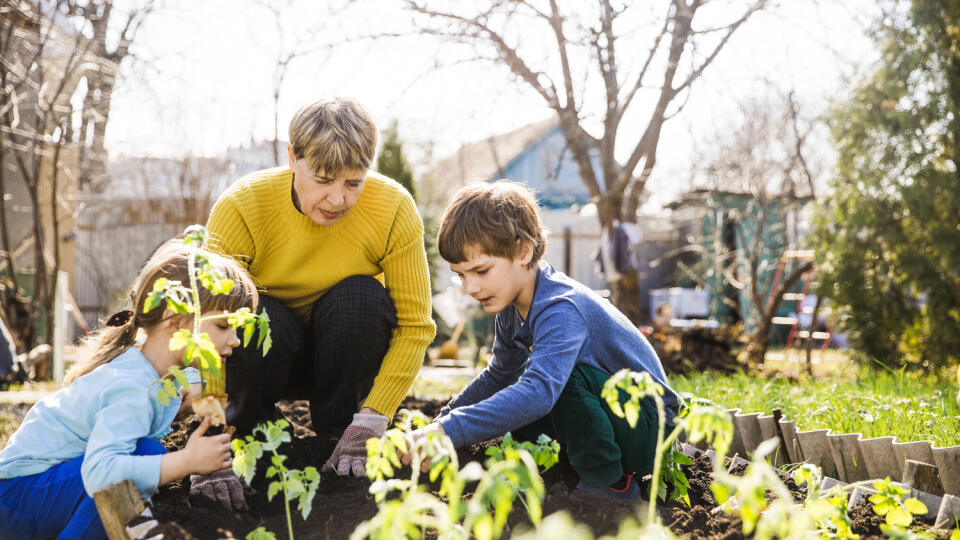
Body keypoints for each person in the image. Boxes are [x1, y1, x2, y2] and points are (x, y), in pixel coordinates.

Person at [403, 180, 679, 500]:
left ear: (523, 251)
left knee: (548, 385)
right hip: (616, 416)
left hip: (652, 428)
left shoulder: (560, 308)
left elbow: (539, 393)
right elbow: (499, 373)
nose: (470, 288)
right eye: (461, 275)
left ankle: (612, 485)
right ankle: (569, 467)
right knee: (515, 407)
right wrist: (441, 423)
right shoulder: (509, 308)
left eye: (481, 271)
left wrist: (451, 431)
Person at [206, 97, 435, 479]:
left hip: (344, 359)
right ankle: (250, 433)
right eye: (324, 180)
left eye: (353, 182)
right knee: (257, 314)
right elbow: (209, 322)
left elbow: (415, 326)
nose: (338, 199)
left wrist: (373, 421)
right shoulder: (242, 207)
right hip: (263, 360)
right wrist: (211, 432)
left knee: (363, 297)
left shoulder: (393, 208)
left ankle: (341, 433)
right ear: (293, 158)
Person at [0, 238, 257, 539]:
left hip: (31, 496)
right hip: (16, 502)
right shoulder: (132, 385)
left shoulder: (146, 370)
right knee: (124, 472)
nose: (236, 340)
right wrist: (187, 461)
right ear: (175, 322)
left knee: (147, 452)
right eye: (224, 326)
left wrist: (179, 407)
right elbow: (100, 475)